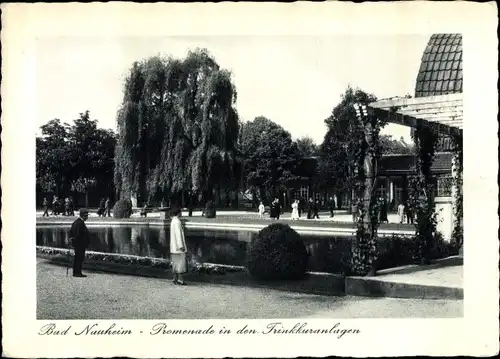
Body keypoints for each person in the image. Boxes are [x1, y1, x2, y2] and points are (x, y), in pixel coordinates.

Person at [69, 208, 90, 277]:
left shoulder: (75, 222)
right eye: (86, 216)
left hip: (77, 244)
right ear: (83, 215)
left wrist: (71, 240)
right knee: (79, 258)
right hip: (80, 244)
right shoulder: (80, 223)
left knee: (77, 258)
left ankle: (76, 272)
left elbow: (70, 232)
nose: (87, 217)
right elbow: (78, 235)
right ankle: (77, 272)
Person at [170, 207, 188, 285]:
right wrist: (181, 246)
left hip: (174, 247)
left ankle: (174, 278)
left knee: (175, 263)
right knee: (180, 263)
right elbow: (178, 235)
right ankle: (180, 280)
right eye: (180, 212)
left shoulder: (173, 221)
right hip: (178, 247)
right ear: (178, 213)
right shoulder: (177, 222)